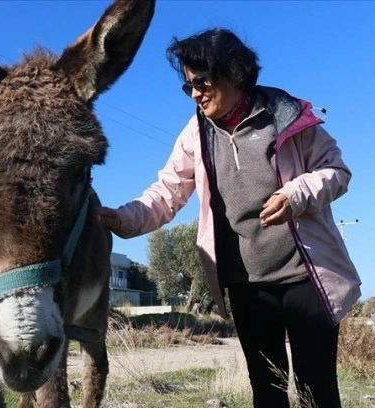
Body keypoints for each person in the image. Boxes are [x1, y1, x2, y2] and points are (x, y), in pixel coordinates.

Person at [96, 28, 361, 408]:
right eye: (188, 86)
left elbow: (336, 171)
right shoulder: (196, 134)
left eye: (201, 82)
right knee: (267, 392)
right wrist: (120, 219)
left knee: (316, 390)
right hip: (246, 286)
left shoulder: (287, 117)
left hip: (307, 279)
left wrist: (296, 194)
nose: (195, 94)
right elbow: (166, 194)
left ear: (235, 73)